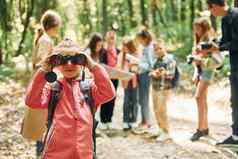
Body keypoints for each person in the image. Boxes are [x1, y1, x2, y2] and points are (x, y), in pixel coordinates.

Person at [25, 39, 115, 159]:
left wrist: (93, 66)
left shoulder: (89, 88)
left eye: (75, 59)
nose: (69, 64)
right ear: (55, 63)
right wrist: (43, 70)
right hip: (55, 154)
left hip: (84, 153)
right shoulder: (52, 88)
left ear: (83, 62)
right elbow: (32, 101)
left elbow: (109, 93)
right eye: (62, 60)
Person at [206, 0, 238, 145]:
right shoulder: (225, 19)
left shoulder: (236, 16)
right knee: (235, 101)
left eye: (210, 8)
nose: (210, 11)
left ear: (215, 5)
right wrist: (215, 45)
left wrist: (220, 48)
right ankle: (236, 136)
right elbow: (226, 41)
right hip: (234, 66)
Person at [31, 10, 61, 157]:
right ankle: (41, 152)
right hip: (44, 85)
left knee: (46, 118)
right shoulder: (46, 40)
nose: (59, 28)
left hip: (45, 84)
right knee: (44, 119)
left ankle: (44, 151)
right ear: (53, 25)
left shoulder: (46, 39)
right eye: (58, 25)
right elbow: (42, 63)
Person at [189, 17, 217, 141]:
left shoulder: (209, 39)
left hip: (207, 70)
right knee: (202, 99)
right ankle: (204, 128)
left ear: (204, 27)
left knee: (198, 97)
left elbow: (212, 58)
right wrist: (195, 72)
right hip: (200, 70)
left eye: (198, 27)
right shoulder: (198, 39)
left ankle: (199, 129)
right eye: (195, 27)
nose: (196, 30)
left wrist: (198, 58)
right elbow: (197, 59)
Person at [150, 39, 178, 142]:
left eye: (160, 48)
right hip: (155, 87)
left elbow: (171, 74)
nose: (158, 51)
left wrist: (162, 73)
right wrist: (153, 73)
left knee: (162, 110)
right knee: (156, 109)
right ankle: (160, 128)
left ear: (164, 48)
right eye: (156, 49)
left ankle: (166, 132)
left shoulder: (169, 60)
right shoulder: (156, 60)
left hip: (164, 88)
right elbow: (152, 71)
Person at [118, 39, 140, 131]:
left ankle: (133, 120)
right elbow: (120, 67)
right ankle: (125, 121)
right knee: (126, 101)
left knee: (135, 101)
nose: (124, 49)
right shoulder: (122, 56)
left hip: (135, 80)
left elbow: (138, 67)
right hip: (126, 80)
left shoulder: (136, 54)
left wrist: (133, 66)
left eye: (126, 47)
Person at [136, 29, 155, 130]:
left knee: (144, 99)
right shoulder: (144, 47)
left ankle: (147, 122)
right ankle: (144, 120)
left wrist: (138, 63)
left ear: (145, 38)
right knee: (141, 99)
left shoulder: (149, 48)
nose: (139, 41)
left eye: (140, 39)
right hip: (141, 74)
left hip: (146, 75)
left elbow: (151, 65)